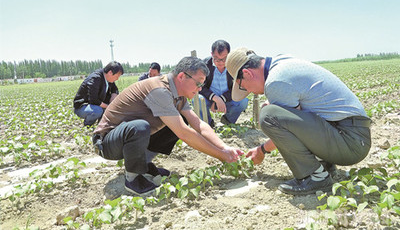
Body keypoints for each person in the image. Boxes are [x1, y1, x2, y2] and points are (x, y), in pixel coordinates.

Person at [225, 48, 371, 195]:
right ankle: (324, 165)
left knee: (268, 116)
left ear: (247, 74)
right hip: (353, 135)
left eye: (243, 86)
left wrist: (262, 150)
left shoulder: (275, 82)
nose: (251, 92)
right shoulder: (282, 63)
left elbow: (291, 128)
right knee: (272, 109)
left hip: (350, 143)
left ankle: (315, 178)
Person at [93, 56, 243, 196]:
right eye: (198, 83)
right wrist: (222, 156)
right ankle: (133, 178)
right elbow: (185, 134)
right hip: (107, 143)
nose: (199, 89)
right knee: (141, 127)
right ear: (182, 76)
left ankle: (143, 165)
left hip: (125, 139)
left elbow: (198, 124)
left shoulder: (179, 95)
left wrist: (225, 148)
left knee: (180, 120)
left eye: (202, 85)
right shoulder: (160, 90)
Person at [198, 40, 248, 126]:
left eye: (224, 59)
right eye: (216, 59)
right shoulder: (204, 65)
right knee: (198, 99)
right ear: (211, 54)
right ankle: (208, 123)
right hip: (209, 98)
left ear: (229, 55)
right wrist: (215, 98)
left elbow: (236, 88)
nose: (220, 62)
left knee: (243, 102)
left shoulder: (235, 66)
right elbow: (200, 87)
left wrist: (221, 99)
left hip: (228, 98)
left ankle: (227, 121)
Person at [73, 61, 124, 127]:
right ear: (110, 72)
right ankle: (88, 125)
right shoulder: (96, 78)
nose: (117, 79)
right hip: (83, 107)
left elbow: (114, 89)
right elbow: (94, 100)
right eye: (117, 76)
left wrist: (113, 97)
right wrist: (109, 107)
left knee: (106, 108)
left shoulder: (107, 78)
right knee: (98, 110)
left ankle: (100, 126)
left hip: (95, 105)